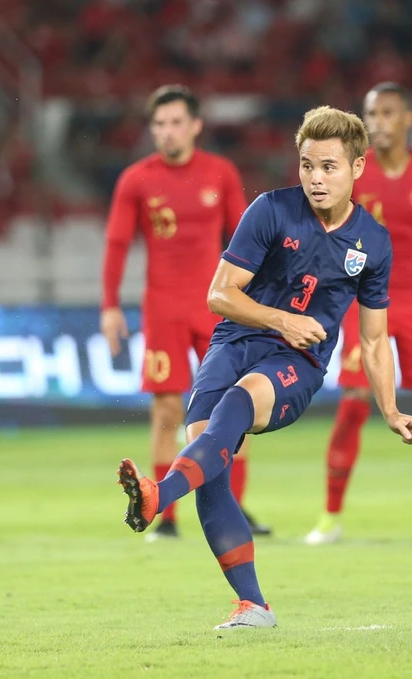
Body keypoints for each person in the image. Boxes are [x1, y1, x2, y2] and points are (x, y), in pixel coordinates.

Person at [116, 106, 412, 629]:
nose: (315, 178)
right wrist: (282, 319)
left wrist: (391, 410)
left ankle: (158, 496)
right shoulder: (271, 210)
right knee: (210, 472)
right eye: (307, 165)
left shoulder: (372, 243)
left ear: (358, 167)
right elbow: (219, 295)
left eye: (328, 167)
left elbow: (374, 340)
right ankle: (253, 606)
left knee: (236, 405)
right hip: (235, 342)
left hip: (297, 362)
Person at [303, 82, 412, 545]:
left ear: (408, 118)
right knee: (354, 402)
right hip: (362, 299)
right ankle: (329, 517)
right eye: (371, 113)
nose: (378, 122)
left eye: (387, 113)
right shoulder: (352, 171)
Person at [101, 84, 271, 541]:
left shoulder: (220, 173)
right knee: (167, 409)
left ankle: (235, 507)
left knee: (236, 402)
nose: (167, 131)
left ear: (195, 126)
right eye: (159, 124)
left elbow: (246, 239)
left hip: (217, 305)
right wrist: (110, 305)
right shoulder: (136, 180)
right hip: (164, 310)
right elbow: (117, 244)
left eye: (176, 122)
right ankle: (166, 516)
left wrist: (259, 298)